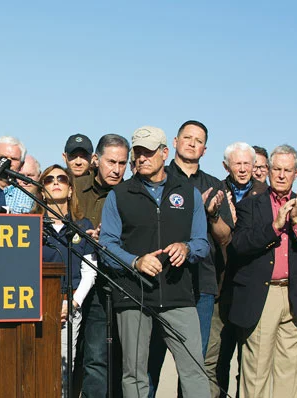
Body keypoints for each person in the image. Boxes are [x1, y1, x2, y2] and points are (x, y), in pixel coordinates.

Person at [99, 126, 210, 398]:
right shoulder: (120, 195)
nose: (141, 158)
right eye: (138, 152)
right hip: (134, 296)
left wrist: (186, 248)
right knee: (134, 374)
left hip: (178, 295)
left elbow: (202, 243)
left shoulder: (188, 193)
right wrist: (135, 262)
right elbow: (106, 245)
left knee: (194, 369)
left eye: (148, 152)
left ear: (164, 153)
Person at [148, 120, 232, 396]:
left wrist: (212, 215)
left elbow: (225, 238)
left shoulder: (214, 184)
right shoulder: (157, 178)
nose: (192, 143)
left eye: (199, 140)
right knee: (152, 360)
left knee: (193, 365)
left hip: (201, 284)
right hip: (160, 280)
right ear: (174, 142)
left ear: (205, 149)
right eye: (187, 137)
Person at [229, 144, 297, 398]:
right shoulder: (250, 206)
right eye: (277, 169)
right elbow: (238, 246)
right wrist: (274, 227)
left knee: (291, 375)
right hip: (263, 297)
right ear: (267, 171)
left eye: (287, 170)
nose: (282, 175)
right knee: (256, 374)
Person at [205, 141, 267, 397]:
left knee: (250, 363)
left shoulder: (267, 196)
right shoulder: (215, 192)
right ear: (225, 166)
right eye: (236, 164)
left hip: (253, 289)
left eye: (246, 164)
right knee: (213, 359)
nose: (242, 169)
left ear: (254, 166)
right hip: (220, 287)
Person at [33, 164, 96, 396]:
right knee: (34, 367)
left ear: (70, 189)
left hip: (68, 307)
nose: (55, 182)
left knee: (62, 372)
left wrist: (72, 303)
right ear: (42, 189)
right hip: (35, 307)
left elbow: (89, 272)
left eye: (62, 178)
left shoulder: (82, 226)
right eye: (49, 180)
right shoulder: (31, 226)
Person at [75, 133, 130, 398]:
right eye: (111, 162)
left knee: (120, 357)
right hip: (83, 284)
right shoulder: (75, 186)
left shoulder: (131, 193)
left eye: (122, 163)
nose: (117, 169)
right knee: (91, 355)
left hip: (120, 283)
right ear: (96, 160)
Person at [0, 136, 34, 214]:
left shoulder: (29, 199)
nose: (8, 163)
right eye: (3, 157)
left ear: (21, 165)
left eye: (14, 159)